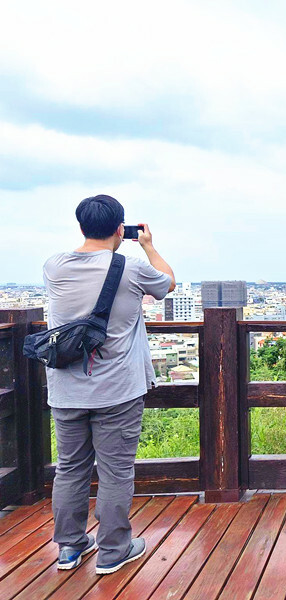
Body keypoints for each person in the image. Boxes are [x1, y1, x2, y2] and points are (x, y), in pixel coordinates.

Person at [45, 195, 175, 574]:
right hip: (118, 387)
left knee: (69, 468)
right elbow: (167, 283)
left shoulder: (54, 266)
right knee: (116, 470)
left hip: (67, 389)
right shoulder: (132, 268)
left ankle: (69, 548)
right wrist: (149, 246)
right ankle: (113, 549)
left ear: (81, 227)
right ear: (122, 229)